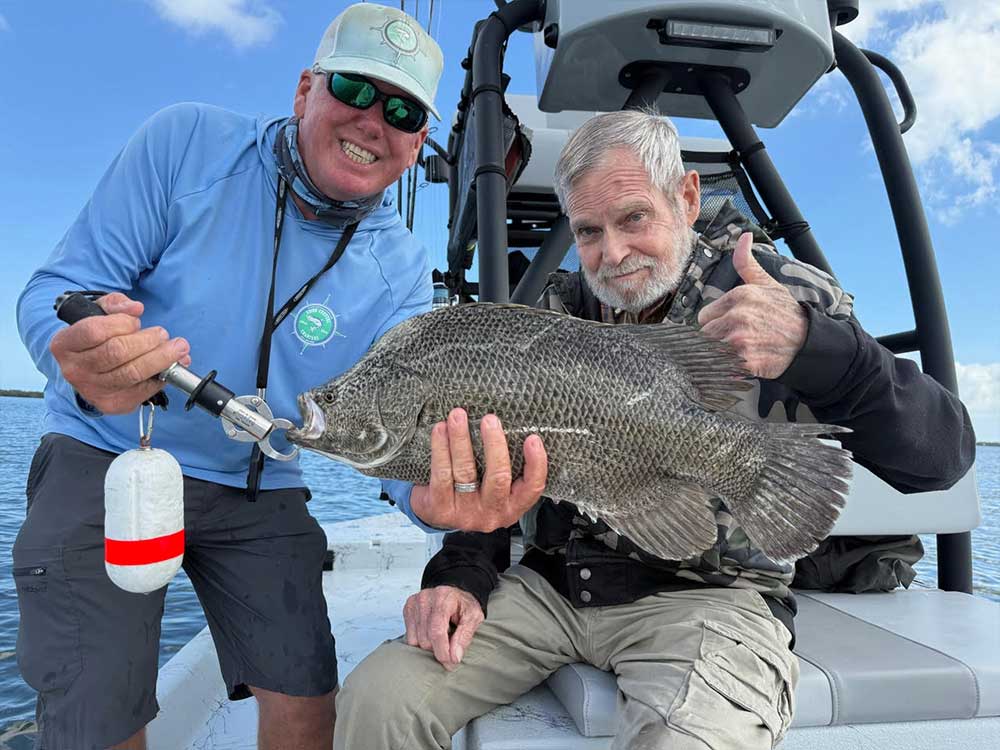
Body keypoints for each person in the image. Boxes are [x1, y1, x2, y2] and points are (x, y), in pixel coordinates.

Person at [333, 109, 976, 749]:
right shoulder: (551, 314)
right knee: (378, 702)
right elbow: (490, 475)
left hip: (710, 602)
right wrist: (458, 576)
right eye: (587, 231)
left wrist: (817, 348)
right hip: (545, 588)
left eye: (634, 218)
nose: (612, 254)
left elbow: (942, 457)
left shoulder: (774, 293)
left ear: (687, 196)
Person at [13, 4, 546, 750]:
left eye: (401, 111)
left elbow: (394, 430)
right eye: (354, 91)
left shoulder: (398, 267)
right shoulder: (185, 142)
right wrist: (74, 351)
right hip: (106, 457)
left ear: (419, 141)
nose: (372, 121)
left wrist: (428, 499)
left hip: (263, 487)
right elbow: (52, 291)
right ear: (304, 90)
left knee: (305, 700)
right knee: (98, 716)